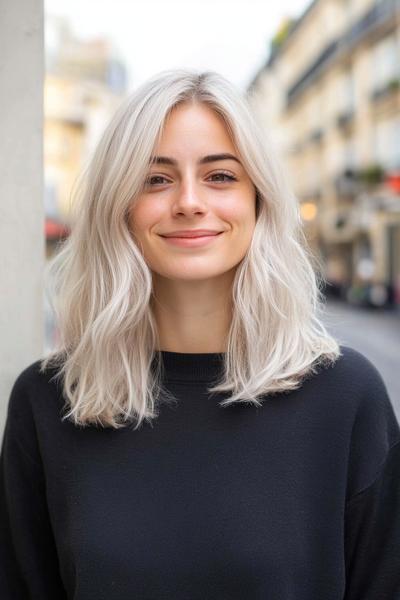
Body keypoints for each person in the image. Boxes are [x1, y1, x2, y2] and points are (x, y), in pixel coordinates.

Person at [1, 69, 399, 600]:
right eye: (156, 179)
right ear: (118, 205)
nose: (189, 201)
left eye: (220, 176)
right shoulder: (48, 400)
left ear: (259, 200)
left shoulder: (348, 397)